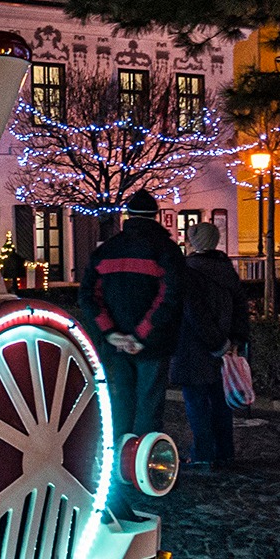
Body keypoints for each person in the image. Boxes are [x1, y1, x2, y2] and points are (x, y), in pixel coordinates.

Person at [80, 190, 186, 440]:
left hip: (115, 345)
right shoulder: (167, 250)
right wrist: (141, 335)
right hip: (153, 344)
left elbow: (88, 296)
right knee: (149, 406)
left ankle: (118, 459)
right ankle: (143, 466)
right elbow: (169, 297)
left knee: (120, 404)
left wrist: (111, 333)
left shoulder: (107, 250)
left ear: (128, 215)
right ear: (155, 215)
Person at [168, 222, 250, 471]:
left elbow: (195, 314)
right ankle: (225, 452)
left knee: (196, 405)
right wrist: (233, 342)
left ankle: (203, 453)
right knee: (220, 402)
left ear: (194, 242)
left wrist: (217, 343)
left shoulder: (187, 271)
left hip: (193, 348)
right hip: (224, 351)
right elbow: (241, 310)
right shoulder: (227, 270)